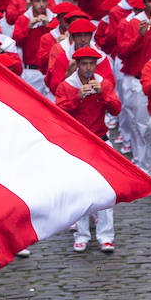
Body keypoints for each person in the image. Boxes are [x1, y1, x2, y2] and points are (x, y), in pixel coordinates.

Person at [53, 46, 122, 252]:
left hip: (100, 140)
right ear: (77, 65)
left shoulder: (104, 83)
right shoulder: (66, 86)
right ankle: (81, 234)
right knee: (79, 191)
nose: (89, 68)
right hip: (77, 143)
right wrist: (76, 98)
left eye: (92, 64)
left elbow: (116, 109)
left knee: (106, 190)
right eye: (85, 64)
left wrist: (104, 95)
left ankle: (106, 235)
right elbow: (57, 114)